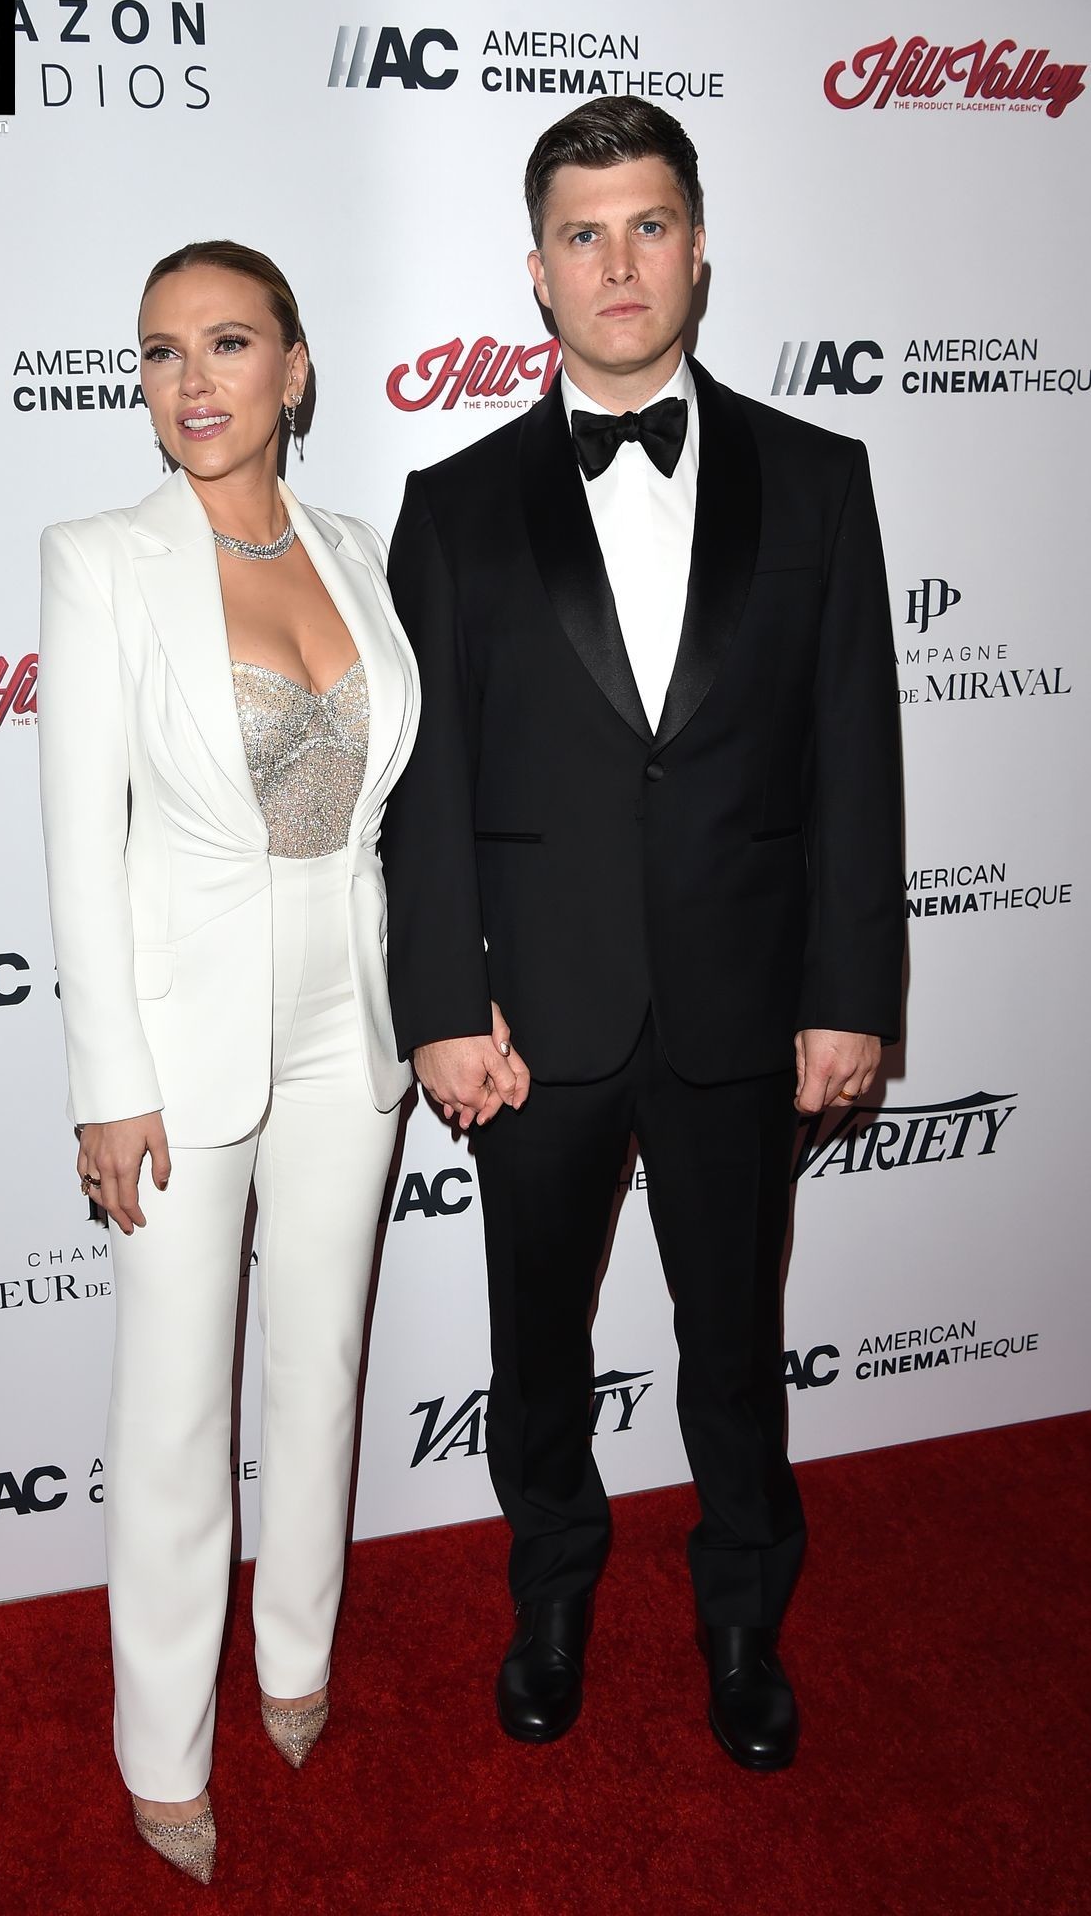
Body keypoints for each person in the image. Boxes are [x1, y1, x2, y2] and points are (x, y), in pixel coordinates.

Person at [380, 98, 903, 1772]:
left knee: (733, 1347)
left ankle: (743, 1619)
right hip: (530, 1022)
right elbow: (426, 791)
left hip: (746, 1005)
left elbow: (852, 753)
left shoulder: (818, 478)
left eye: (648, 225)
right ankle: (549, 1597)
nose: (618, 263)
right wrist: (438, 1004)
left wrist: (848, 991)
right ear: (537, 270)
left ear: (698, 250)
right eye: (583, 233)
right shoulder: (452, 503)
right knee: (536, 1347)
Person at [36, 239, 419, 1881]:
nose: (191, 380)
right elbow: (78, 841)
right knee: (177, 1409)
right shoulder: (101, 560)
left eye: (228, 343)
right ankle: (162, 1747)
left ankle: (297, 1658)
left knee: (321, 1365)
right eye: (160, 351)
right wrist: (106, 1081)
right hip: (180, 1043)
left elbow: (395, 815)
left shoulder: (354, 549)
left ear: (295, 367)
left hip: (353, 1025)